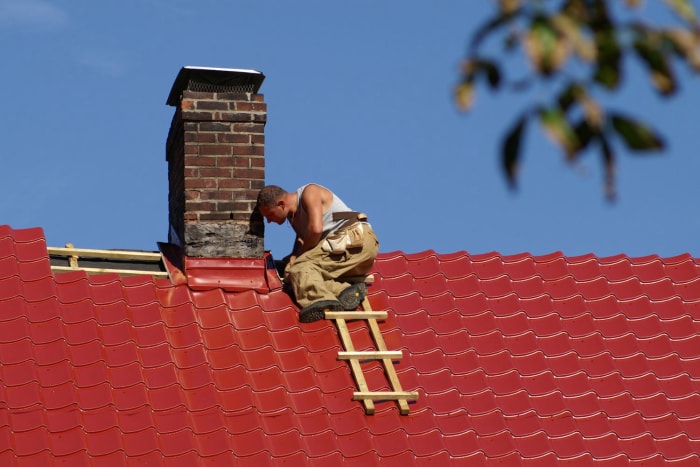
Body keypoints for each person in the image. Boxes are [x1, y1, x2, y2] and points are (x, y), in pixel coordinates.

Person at [256, 183, 379, 322]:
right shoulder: (293, 216)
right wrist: (292, 256)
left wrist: (298, 259)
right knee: (292, 272)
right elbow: (303, 239)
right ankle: (343, 291)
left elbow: (315, 230)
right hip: (345, 252)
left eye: (270, 214)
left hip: (355, 240)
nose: (269, 221)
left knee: (300, 269)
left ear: (281, 204)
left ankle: (321, 302)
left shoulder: (309, 192)